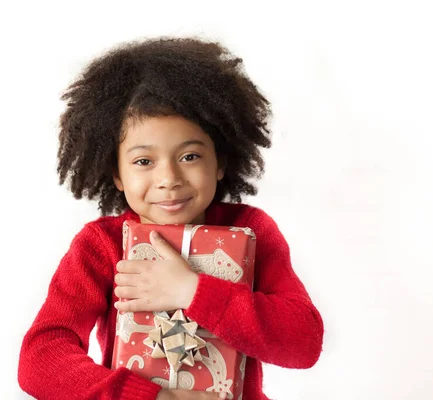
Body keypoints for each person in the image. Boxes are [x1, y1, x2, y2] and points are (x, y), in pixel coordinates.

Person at [18, 37, 324, 400]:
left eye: (190, 156)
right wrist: (148, 397)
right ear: (116, 173)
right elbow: (40, 358)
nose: (169, 179)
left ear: (221, 161)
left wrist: (192, 290)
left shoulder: (253, 231)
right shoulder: (102, 245)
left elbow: (303, 343)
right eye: (143, 161)